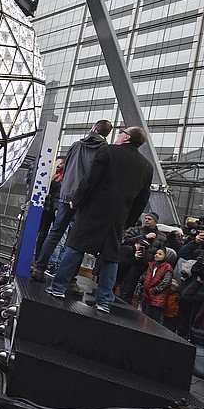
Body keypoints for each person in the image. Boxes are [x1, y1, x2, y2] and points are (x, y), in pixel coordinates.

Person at [45, 126, 153, 314]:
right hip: (118, 217)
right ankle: (104, 301)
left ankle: (58, 287)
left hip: (93, 211)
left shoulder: (108, 151)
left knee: (75, 247)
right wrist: (128, 222)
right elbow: (142, 199)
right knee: (111, 257)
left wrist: (76, 201)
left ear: (126, 138)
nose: (118, 135)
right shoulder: (146, 166)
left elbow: (90, 180)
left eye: (122, 132)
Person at [32, 119, 113, 291]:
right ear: (107, 134)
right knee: (76, 241)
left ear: (93, 128)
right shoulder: (105, 150)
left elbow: (67, 167)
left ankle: (39, 268)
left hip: (66, 194)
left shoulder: (76, 145)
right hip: (86, 200)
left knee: (55, 233)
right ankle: (69, 279)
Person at [34, 156, 65, 260]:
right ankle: (38, 258)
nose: (58, 166)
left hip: (54, 209)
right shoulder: (50, 175)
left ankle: (47, 260)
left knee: (56, 237)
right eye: (57, 164)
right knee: (43, 234)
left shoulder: (64, 177)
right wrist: (52, 181)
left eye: (61, 164)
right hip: (47, 208)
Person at [139, 246, 174, 323]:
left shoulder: (167, 267)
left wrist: (154, 290)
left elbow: (165, 282)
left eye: (160, 254)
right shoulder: (152, 265)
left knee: (154, 321)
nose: (156, 255)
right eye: (156, 253)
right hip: (147, 295)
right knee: (144, 318)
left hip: (158, 297)